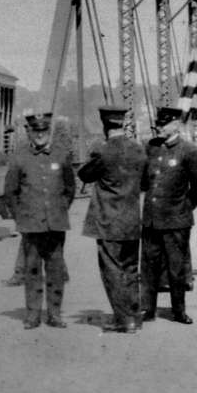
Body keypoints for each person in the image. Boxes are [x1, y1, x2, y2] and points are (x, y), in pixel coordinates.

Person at [1, 112, 75, 329]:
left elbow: (69, 189)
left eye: (44, 131)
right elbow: (10, 192)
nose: (40, 135)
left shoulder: (61, 155)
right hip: (31, 225)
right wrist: (21, 217)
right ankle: (33, 315)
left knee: (56, 270)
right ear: (30, 133)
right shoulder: (19, 157)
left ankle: (54, 314)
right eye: (36, 131)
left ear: (49, 131)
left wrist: (59, 210)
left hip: (55, 223)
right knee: (32, 271)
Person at [78, 105, 147, 334]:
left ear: (105, 125)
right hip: (131, 221)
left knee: (112, 271)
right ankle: (134, 317)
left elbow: (84, 175)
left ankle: (123, 320)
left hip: (108, 222)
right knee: (130, 269)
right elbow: (145, 182)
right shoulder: (138, 150)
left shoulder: (103, 151)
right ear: (123, 123)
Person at [140, 106, 197, 325]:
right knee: (149, 267)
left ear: (176, 125)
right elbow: (143, 181)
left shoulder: (188, 151)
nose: (158, 127)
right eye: (158, 124)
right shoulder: (151, 148)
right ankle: (148, 310)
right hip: (151, 219)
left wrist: (183, 208)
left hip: (176, 220)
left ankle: (179, 311)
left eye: (163, 124)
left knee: (176, 268)